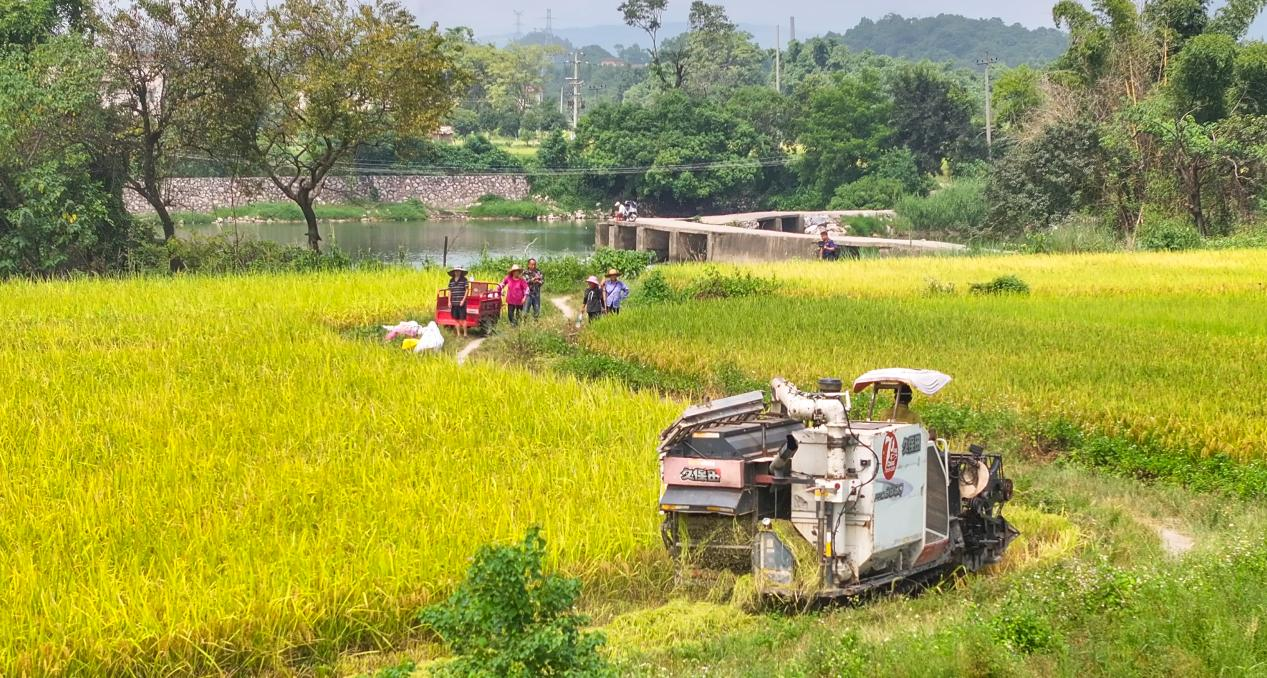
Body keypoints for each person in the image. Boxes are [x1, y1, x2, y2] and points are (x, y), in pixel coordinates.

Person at [447, 266, 470, 338]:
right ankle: (458, 334)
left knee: (463, 319)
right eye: (456, 271)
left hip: (461, 303)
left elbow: (467, 290)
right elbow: (450, 291)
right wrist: (449, 301)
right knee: (456, 319)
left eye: (458, 271)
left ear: (461, 272)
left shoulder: (464, 280)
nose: (457, 272)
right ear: (454, 272)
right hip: (454, 302)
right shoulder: (451, 280)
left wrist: (463, 300)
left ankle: (465, 334)